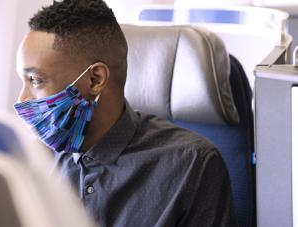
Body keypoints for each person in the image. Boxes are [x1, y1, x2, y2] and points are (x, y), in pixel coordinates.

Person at [13, 0, 239, 226]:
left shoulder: (191, 164)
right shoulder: (35, 159)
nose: (22, 98)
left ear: (95, 80)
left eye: (35, 80)